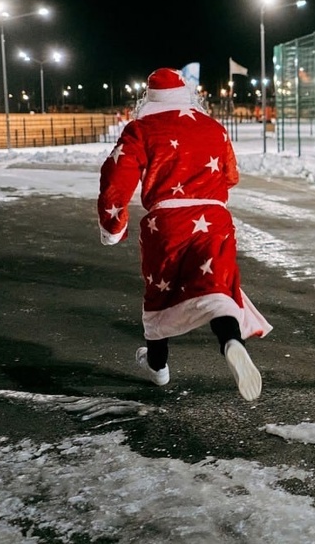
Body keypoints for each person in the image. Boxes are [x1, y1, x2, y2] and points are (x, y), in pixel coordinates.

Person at [97, 68, 272, 401]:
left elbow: (115, 179)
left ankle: (158, 367)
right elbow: (231, 175)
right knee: (218, 289)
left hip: (166, 223)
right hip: (214, 218)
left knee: (160, 297)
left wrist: (112, 224)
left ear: (149, 99)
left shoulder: (140, 130)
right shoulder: (212, 127)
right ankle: (231, 342)